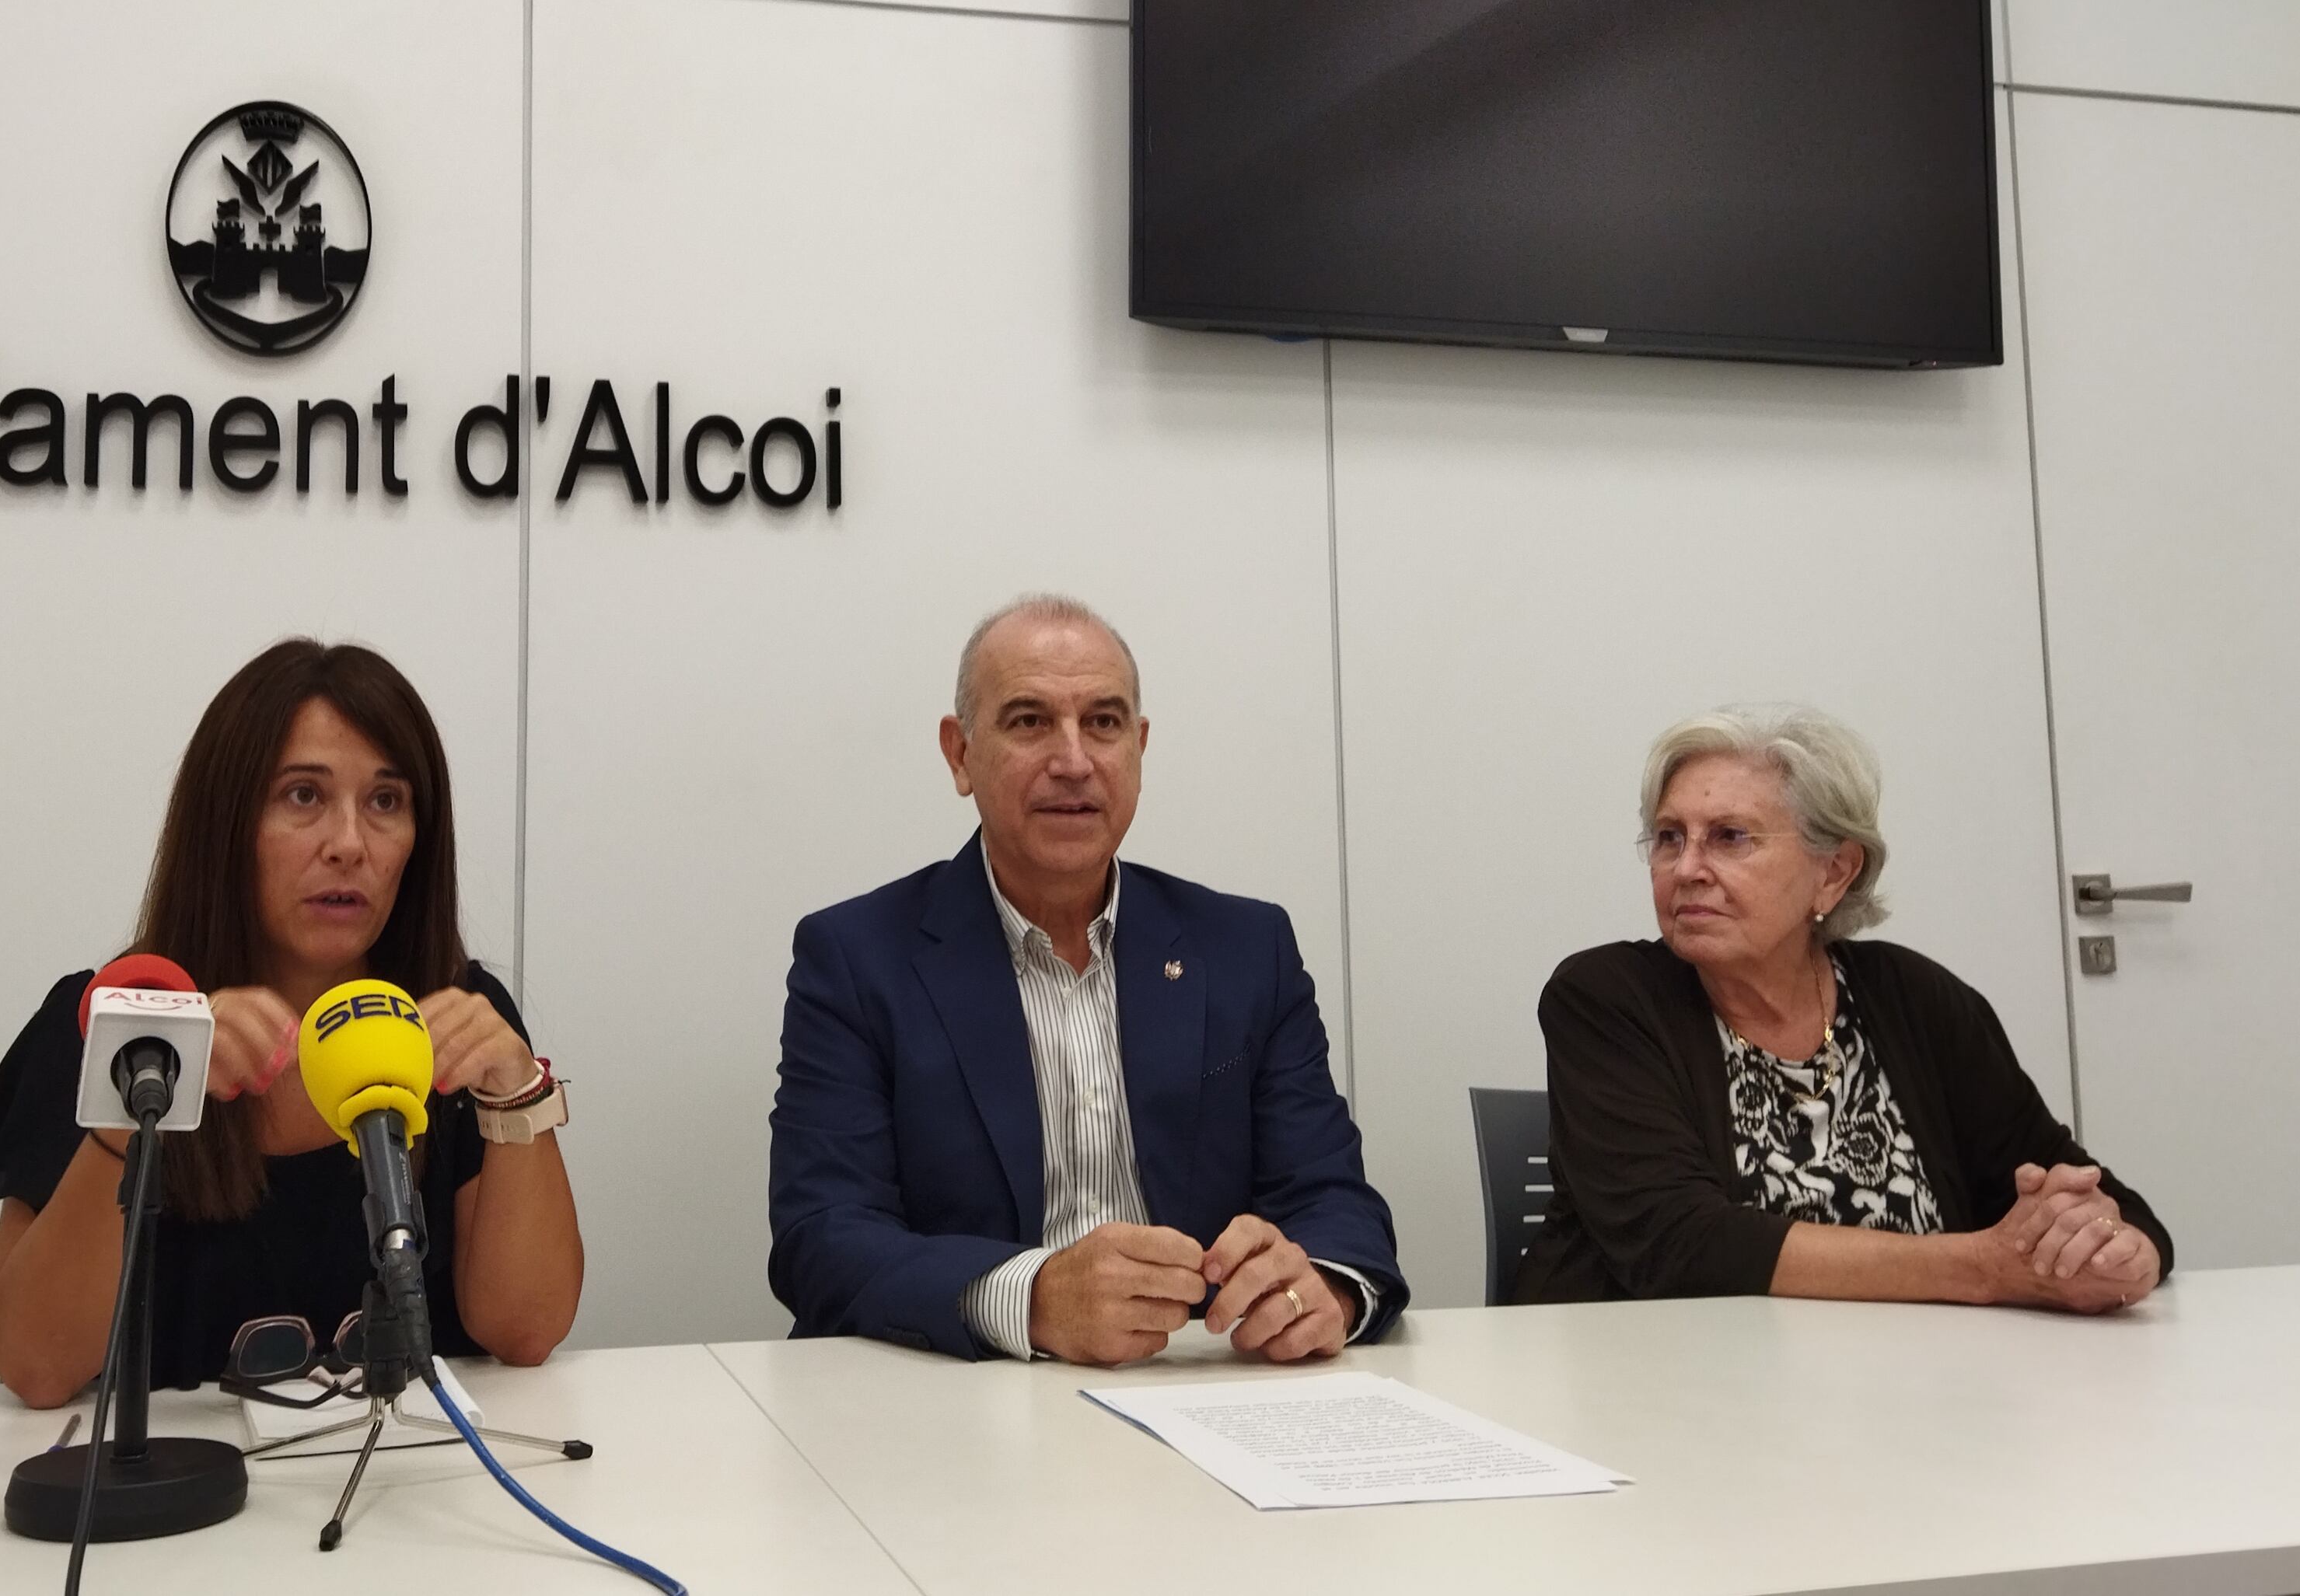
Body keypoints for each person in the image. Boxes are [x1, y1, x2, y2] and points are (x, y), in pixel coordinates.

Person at [769, 595, 1404, 1364]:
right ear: (959, 753)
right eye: (1029, 721)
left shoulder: (1243, 947)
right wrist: (1031, 1298)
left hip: (1202, 1391)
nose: (1072, 760)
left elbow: (1330, 1197)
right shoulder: (856, 956)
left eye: (1102, 723)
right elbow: (823, 1237)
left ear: (1138, 748)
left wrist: (1322, 1289)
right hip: (958, 1411)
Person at [0, 640, 582, 1407]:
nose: (349, 843)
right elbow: (35, 1366)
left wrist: (515, 1093)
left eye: (386, 802)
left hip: (403, 1492)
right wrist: (142, 1106)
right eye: (302, 796)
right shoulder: (115, 1020)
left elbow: (525, 1332)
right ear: (226, 821)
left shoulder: (454, 1016)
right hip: (182, 1497)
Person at [1521, 703, 2170, 1310]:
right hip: (1653, 1387)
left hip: (1908, 1390)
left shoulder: (1915, 1000)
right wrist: (1983, 1268)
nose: (1686, 867)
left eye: (1728, 837)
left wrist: (2117, 1249)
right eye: (1668, 837)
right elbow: (1681, 1246)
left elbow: (2077, 1183)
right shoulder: (1606, 998)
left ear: (1833, 872)